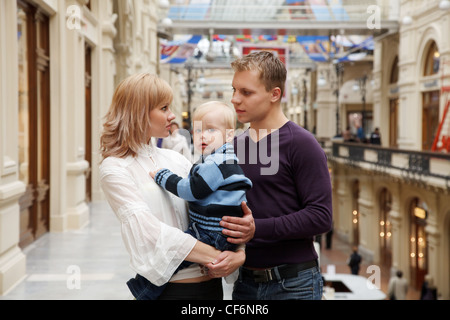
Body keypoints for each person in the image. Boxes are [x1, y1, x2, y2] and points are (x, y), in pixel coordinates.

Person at [99, 73, 255, 300]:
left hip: (212, 289)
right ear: (139, 112)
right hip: (170, 292)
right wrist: (220, 256)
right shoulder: (115, 169)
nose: (172, 116)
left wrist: (240, 250)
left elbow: (216, 211)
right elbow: (152, 234)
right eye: (163, 108)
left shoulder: (177, 160)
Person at [230, 50, 333, 300]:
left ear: (275, 94)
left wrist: (257, 229)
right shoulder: (234, 146)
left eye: (246, 92)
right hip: (245, 284)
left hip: (293, 285)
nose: (234, 99)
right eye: (233, 90)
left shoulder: (302, 144)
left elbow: (321, 217)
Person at [145, 101, 253, 300]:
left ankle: (141, 291)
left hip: (212, 232)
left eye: (211, 129)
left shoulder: (218, 163)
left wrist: (164, 177)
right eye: (197, 130)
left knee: (170, 260)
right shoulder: (217, 159)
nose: (202, 135)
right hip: (218, 231)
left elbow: (191, 189)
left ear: (229, 135)